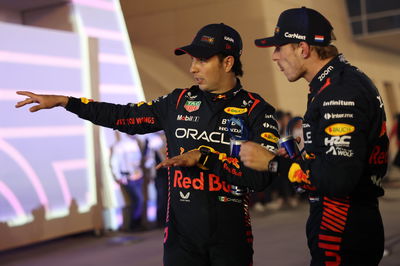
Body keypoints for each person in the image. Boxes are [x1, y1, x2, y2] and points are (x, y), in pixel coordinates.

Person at [16, 23, 278, 266]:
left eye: (202, 60)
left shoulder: (256, 110)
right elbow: (123, 116)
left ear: (228, 62)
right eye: (192, 60)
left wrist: (204, 158)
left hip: (231, 241)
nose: (193, 68)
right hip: (180, 242)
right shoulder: (177, 102)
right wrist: (67, 102)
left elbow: (261, 178)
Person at [241, 7, 389, 265]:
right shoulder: (332, 83)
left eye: (279, 48)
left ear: (302, 48)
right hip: (344, 224)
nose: (275, 57)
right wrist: (303, 158)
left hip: (343, 227)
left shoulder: (340, 90)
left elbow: (338, 178)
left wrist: (273, 163)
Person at [109, 131, 144, 231]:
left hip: (138, 176)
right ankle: (133, 224)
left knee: (137, 201)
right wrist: (118, 176)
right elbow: (114, 162)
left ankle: (136, 223)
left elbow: (137, 160)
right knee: (138, 200)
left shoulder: (135, 143)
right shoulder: (120, 146)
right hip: (128, 178)